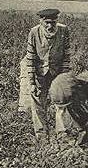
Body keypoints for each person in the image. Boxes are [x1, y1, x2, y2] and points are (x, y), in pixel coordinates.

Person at [22, 8, 72, 139]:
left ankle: (62, 133)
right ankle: (41, 134)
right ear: (41, 21)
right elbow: (30, 57)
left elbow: (66, 56)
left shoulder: (63, 31)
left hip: (57, 72)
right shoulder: (34, 32)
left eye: (53, 23)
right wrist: (32, 82)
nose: (50, 26)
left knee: (62, 101)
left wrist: (64, 77)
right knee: (38, 102)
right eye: (47, 23)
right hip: (40, 73)